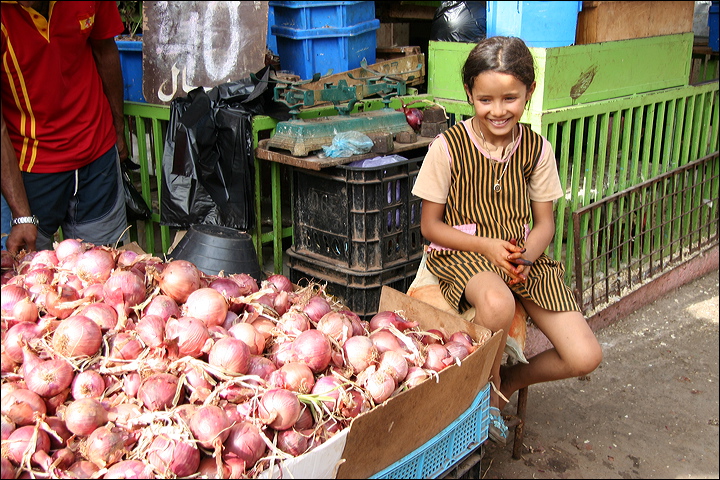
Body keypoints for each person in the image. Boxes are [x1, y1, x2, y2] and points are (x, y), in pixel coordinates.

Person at [411, 36, 603, 445]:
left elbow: (545, 224)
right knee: (496, 304)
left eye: (510, 99)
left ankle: (511, 378)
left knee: (586, 356)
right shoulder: (447, 148)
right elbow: (430, 227)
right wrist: (487, 248)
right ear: (469, 94)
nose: (498, 111)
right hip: (463, 251)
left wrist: (527, 257)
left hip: (521, 256)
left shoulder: (537, 149)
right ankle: (489, 393)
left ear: (529, 93)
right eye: (485, 100)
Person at [1, 1, 129, 253]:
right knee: (30, 276)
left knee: (104, 272)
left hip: (97, 152)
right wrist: (22, 215)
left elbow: (105, 49)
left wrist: (118, 129)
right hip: (28, 167)